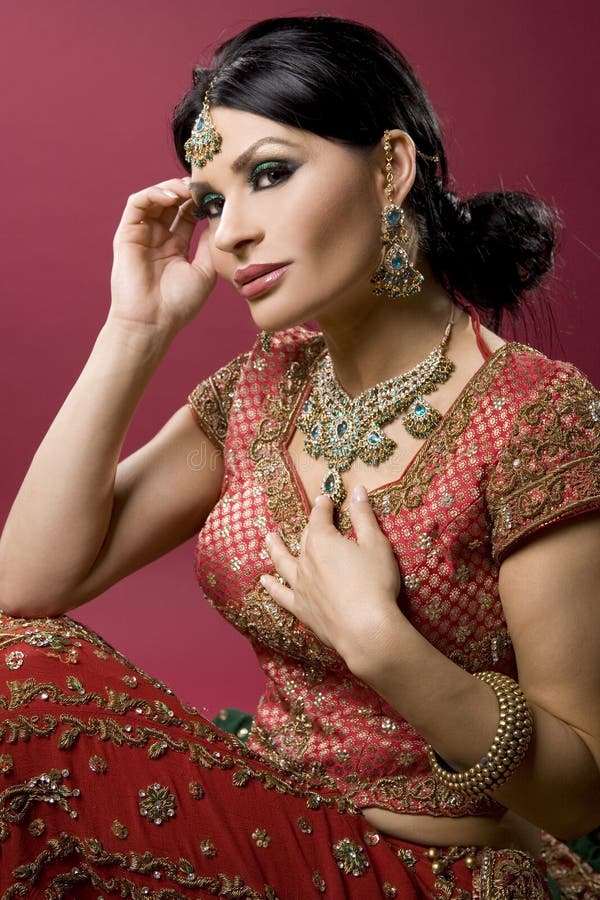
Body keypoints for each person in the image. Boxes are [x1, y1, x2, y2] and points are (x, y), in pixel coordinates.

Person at [0, 14, 598, 899]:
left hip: (435, 871)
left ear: (391, 167)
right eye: (211, 203)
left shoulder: (539, 419)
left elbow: (581, 790)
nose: (231, 233)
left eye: (269, 175)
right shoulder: (266, 387)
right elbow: (25, 590)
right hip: (266, 821)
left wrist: (378, 642)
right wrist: (137, 328)